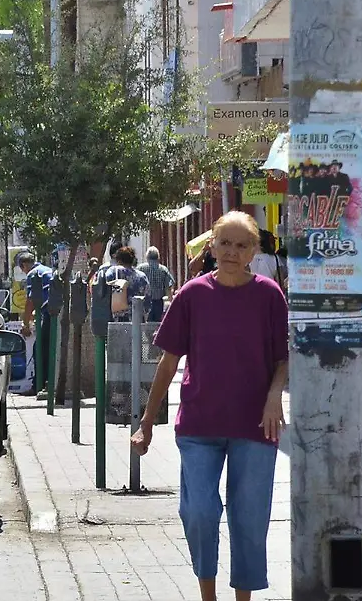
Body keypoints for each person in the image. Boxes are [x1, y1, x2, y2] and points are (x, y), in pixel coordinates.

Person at [132, 211, 288, 601]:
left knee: (248, 519)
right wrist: (147, 421)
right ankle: (208, 595)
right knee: (199, 512)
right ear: (211, 247)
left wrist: (274, 397)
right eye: (225, 243)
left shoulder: (270, 295)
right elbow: (168, 362)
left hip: (256, 426)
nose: (232, 252)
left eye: (241, 245)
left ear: (254, 251)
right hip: (199, 425)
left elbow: (283, 358)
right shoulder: (192, 295)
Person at [17, 252, 56, 396]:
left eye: (22, 268)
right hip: (56, 312)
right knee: (47, 348)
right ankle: (46, 383)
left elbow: (30, 302)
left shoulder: (33, 274)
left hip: (50, 314)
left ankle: (38, 385)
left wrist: (25, 324)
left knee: (38, 349)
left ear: (24, 265)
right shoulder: (47, 270)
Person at [100, 246, 150, 322]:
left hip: (117, 319)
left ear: (118, 260)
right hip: (137, 320)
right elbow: (148, 299)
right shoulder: (142, 276)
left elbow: (103, 288)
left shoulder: (113, 271)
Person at [137, 246, 176, 322]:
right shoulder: (163, 269)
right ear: (158, 257)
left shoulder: (140, 268)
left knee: (145, 326)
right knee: (157, 325)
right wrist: (171, 301)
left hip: (144, 302)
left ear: (147, 257)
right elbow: (169, 286)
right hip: (158, 302)